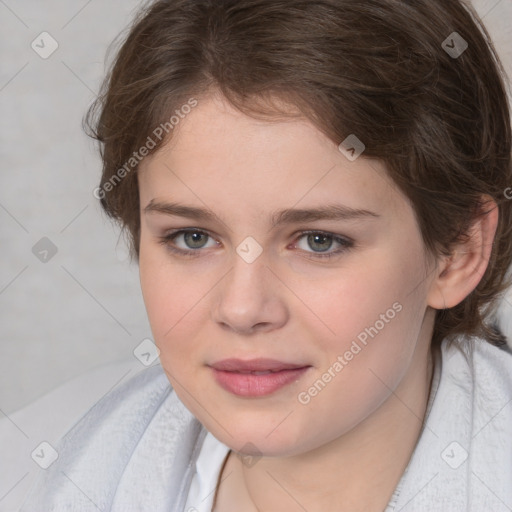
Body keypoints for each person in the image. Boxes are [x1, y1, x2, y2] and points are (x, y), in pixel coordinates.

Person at [20, 0, 512, 510]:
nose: (242, 309)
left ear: (458, 251)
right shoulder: (33, 466)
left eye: (319, 241)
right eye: (192, 237)